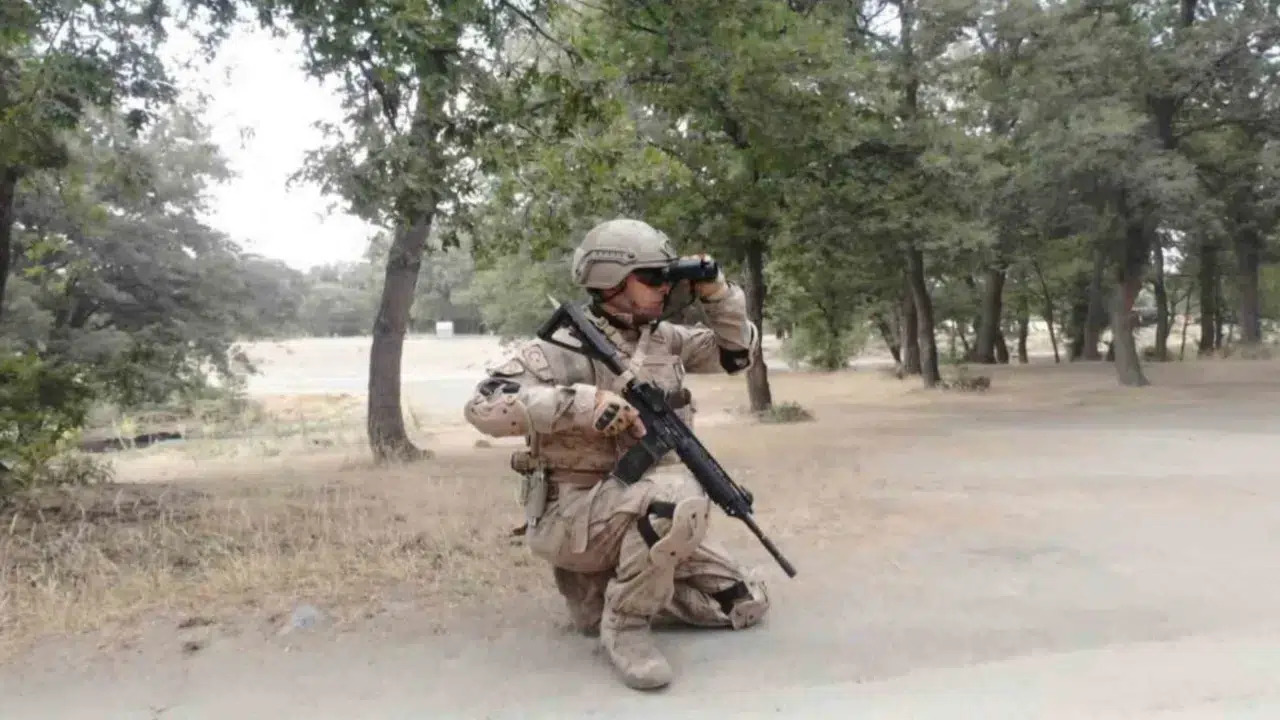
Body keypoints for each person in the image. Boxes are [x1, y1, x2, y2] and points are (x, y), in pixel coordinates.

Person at [462, 217, 771, 690]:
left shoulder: (664, 340)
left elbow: (736, 353)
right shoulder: (558, 349)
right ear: (610, 280)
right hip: (576, 518)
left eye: (666, 278)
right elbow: (483, 407)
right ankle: (625, 626)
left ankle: (605, 596)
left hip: (644, 511)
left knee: (744, 602)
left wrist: (717, 292)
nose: (663, 288)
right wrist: (580, 404)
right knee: (675, 495)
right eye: (651, 278)